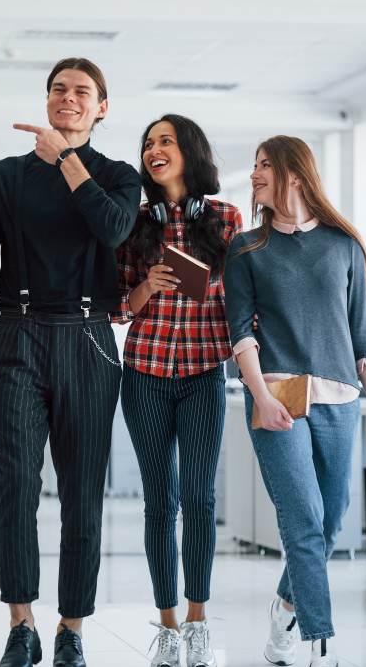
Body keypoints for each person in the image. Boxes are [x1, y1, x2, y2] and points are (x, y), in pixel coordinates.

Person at [0, 58, 141, 667]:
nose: (69, 98)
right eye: (59, 89)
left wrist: (66, 160)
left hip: (90, 341)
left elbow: (112, 230)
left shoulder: (117, 175)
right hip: (19, 339)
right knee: (18, 486)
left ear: (101, 107)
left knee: (83, 494)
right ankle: (22, 626)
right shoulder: (5, 177)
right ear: (47, 100)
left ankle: (71, 629)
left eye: (83, 92)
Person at [223, 136, 366, 667]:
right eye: (254, 165)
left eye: (264, 166)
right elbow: (241, 336)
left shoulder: (342, 245)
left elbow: (363, 343)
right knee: (303, 515)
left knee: (332, 518)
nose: (255, 173)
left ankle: (285, 608)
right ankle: (318, 643)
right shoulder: (246, 247)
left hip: (339, 399)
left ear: (295, 175)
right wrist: (260, 396)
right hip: (276, 395)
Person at [115, 115, 241, 667]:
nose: (154, 150)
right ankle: (166, 626)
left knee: (200, 498)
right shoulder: (134, 223)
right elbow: (118, 308)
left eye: (165, 141)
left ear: (190, 151)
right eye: (147, 144)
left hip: (203, 374)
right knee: (159, 501)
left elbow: (242, 303)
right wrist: (146, 284)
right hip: (144, 372)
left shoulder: (227, 219)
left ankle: (197, 622)